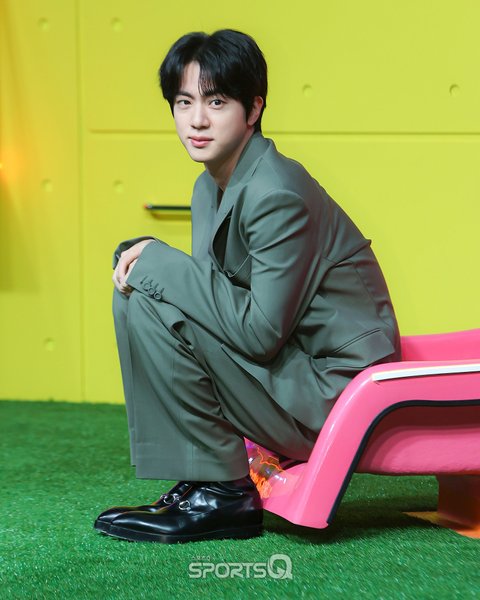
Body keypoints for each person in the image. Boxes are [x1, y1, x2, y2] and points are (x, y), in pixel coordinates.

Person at [94, 29, 401, 544]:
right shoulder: (210, 185)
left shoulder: (275, 191)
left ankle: (222, 493)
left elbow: (260, 334)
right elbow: (210, 300)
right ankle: (205, 480)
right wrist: (153, 268)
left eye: (216, 102)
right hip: (295, 373)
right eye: (184, 102)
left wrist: (160, 264)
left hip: (337, 396)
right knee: (142, 295)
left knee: (154, 287)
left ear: (253, 108)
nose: (196, 120)